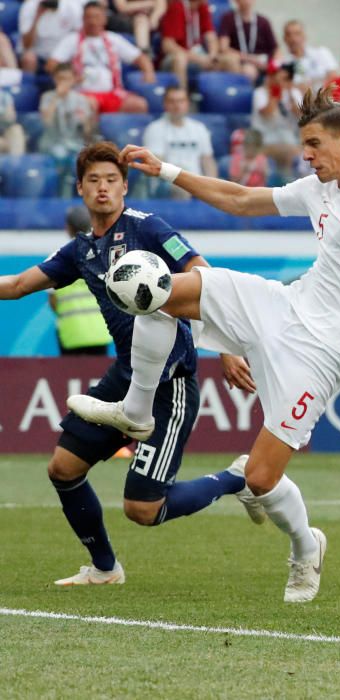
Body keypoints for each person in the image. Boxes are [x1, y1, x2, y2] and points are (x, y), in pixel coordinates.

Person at [69, 87, 340, 603]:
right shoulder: (316, 189)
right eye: (304, 146)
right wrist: (165, 170)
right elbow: (240, 199)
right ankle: (137, 411)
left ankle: (305, 546)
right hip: (281, 306)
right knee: (156, 289)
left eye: (315, 144)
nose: (307, 155)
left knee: (259, 476)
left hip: (326, 351)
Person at [0, 141, 259, 587]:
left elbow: (206, 278)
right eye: (94, 180)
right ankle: (104, 568)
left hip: (169, 382)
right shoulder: (80, 250)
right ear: (80, 189)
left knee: (143, 509)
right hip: (125, 378)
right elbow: (20, 284)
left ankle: (236, 478)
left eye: (112, 180)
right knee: (62, 469)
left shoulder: (149, 227)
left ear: (125, 187)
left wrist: (229, 348)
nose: (103, 188)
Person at [47, 1, 156, 114]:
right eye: (88, 17)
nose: (92, 21)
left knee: (139, 105)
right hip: (82, 93)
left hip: (112, 93)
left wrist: (148, 73)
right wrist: (71, 74)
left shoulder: (114, 39)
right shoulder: (71, 40)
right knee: (89, 105)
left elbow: (141, 58)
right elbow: (51, 64)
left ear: (105, 19)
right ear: (83, 19)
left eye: (96, 17)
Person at [49, 205, 112, 356]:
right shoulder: (104, 255)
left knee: (70, 376)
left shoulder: (56, 258)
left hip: (71, 333)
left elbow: (53, 301)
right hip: (100, 332)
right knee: (98, 377)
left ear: (68, 228)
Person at [143, 87, 217, 198]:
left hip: (197, 182)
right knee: (182, 189)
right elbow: (158, 165)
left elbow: (208, 160)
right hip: (168, 182)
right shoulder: (155, 129)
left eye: (181, 101)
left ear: (187, 103)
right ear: (165, 104)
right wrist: (186, 180)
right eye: (172, 101)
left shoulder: (199, 128)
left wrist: (213, 184)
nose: (177, 106)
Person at [39, 63, 96, 196]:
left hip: (75, 143)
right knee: (60, 155)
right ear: (54, 79)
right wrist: (56, 97)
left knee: (86, 160)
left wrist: (88, 120)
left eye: (67, 78)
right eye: (60, 78)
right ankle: (59, 197)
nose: (63, 82)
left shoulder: (82, 100)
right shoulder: (47, 97)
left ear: (73, 80)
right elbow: (46, 122)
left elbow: (88, 132)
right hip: (52, 143)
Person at [251, 62, 303, 179]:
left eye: (284, 79)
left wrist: (289, 92)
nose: (280, 82)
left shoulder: (294, 93)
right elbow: (267, 114)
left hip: (288, 137)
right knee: (288, 151)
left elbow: (301, 114)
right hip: (264, 139)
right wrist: (274, 93)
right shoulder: (259, 93)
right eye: (277, 78)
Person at [158, 0, 221, 93]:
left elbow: (211, 36)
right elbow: (167, 45)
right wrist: (198, 59)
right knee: (180, 58)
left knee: (229, 60)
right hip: (175, 57)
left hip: (198, 54)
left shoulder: (202, 6)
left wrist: (212, 55)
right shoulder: (177, 6)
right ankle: (182, 97)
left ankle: (220, 100)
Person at [217, 0, 280, 83]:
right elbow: (224, 48)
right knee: (248, 71)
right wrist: (251, 59)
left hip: (264, 63)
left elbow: (276, 49)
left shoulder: (263, 21)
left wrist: (274, 65)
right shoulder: (228, 19)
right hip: (241, 62)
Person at [18, 0, 84, 75]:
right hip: (38, 55)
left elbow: (80, 36)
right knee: (28, 58)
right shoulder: (30, 6)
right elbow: (27, 44)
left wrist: (60, 56)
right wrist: (38, 16)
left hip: (62, 55)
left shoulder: (72, 6)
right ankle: (28, 85)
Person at [283, 20, 339, 91]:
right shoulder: (283, 63)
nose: (293, 38)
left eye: (297, 34)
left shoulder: (322, 53)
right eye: (289, 35)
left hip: (324, 98)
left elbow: (333, 76)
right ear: (284, 38)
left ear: (304, 35)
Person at [0, 88, 26, 157]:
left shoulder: (5, 96)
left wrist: (8, 114)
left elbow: (11, 117)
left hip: (4, 126)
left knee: (17, 130)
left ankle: (16, 164)